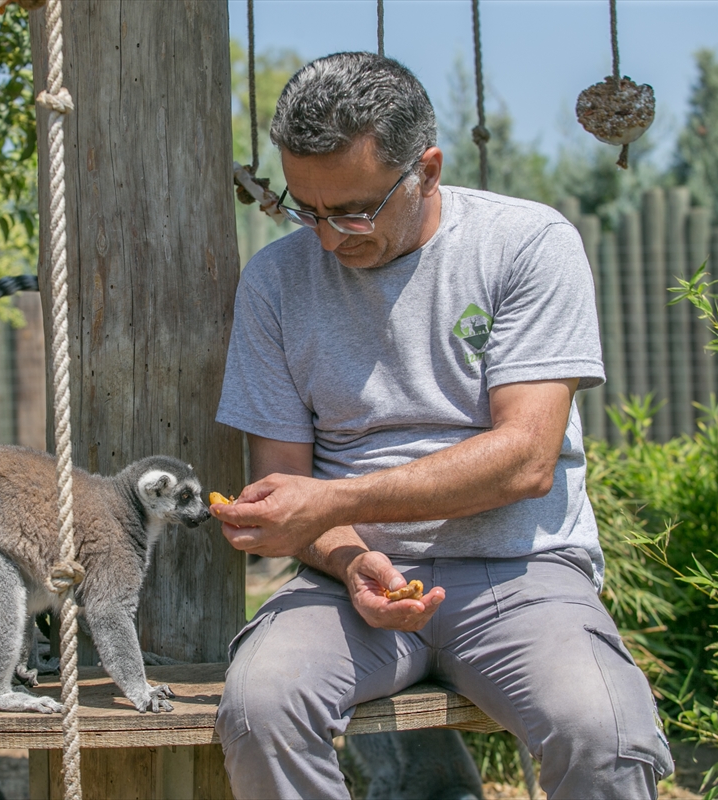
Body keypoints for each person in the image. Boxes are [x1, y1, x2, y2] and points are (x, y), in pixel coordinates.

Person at [211, 52, 674, 800]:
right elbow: (288, 489)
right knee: (260, 707)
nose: (329, 238)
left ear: (426, 169)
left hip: (521, 571)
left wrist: (332, 504)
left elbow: (524, 460)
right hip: (349, 584)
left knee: (606, 734)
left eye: (354, 210)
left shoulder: (526, 244)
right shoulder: (274, 280)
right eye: (307, 209)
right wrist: (347, 555)